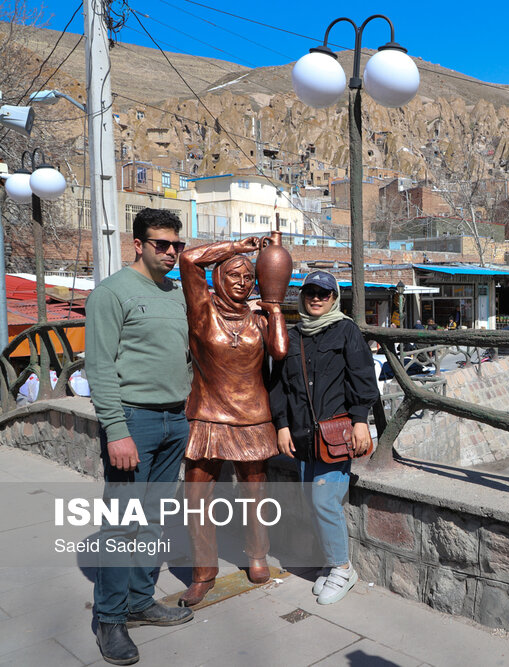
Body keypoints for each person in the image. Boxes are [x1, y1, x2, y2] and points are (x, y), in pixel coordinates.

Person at [84, 208, 194, 664]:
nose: (170, 253)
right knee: (120, 524)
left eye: (177, 245)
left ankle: (139, 599)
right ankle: (110, 618)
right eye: (161, 244)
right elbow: (100, 366)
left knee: (152, 518)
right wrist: (116, 430)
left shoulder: (178, 292)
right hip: (135, 421)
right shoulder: (112, 293)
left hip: (175, 420)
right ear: (139, 244)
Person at [177, 238, 289, 607]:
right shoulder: (202, 311)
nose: (241, 282)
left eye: (248, 276)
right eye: (233, 274)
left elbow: (280, 351)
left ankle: (257, 555)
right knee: (196, 497)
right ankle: (202, 572)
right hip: (208, 414)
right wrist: (238, 246)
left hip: (252, 417)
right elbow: (189, 258)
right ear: (218, 277)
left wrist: (274, 309)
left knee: (255, 492)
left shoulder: (258, 318)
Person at [270, 271, 378, 605]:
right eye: (311, 292)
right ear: (302, 297)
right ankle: (332, 564)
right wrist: (282, 425)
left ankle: (344, 570)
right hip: (302, 435)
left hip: (335, 435)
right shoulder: (292, 336)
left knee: (323, 501)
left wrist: (361, 421)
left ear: (334, 298)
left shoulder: (346, 331)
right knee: (312, 503)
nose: (317, 298)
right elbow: (279, 387)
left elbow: (363, 378)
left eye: (324, 293)